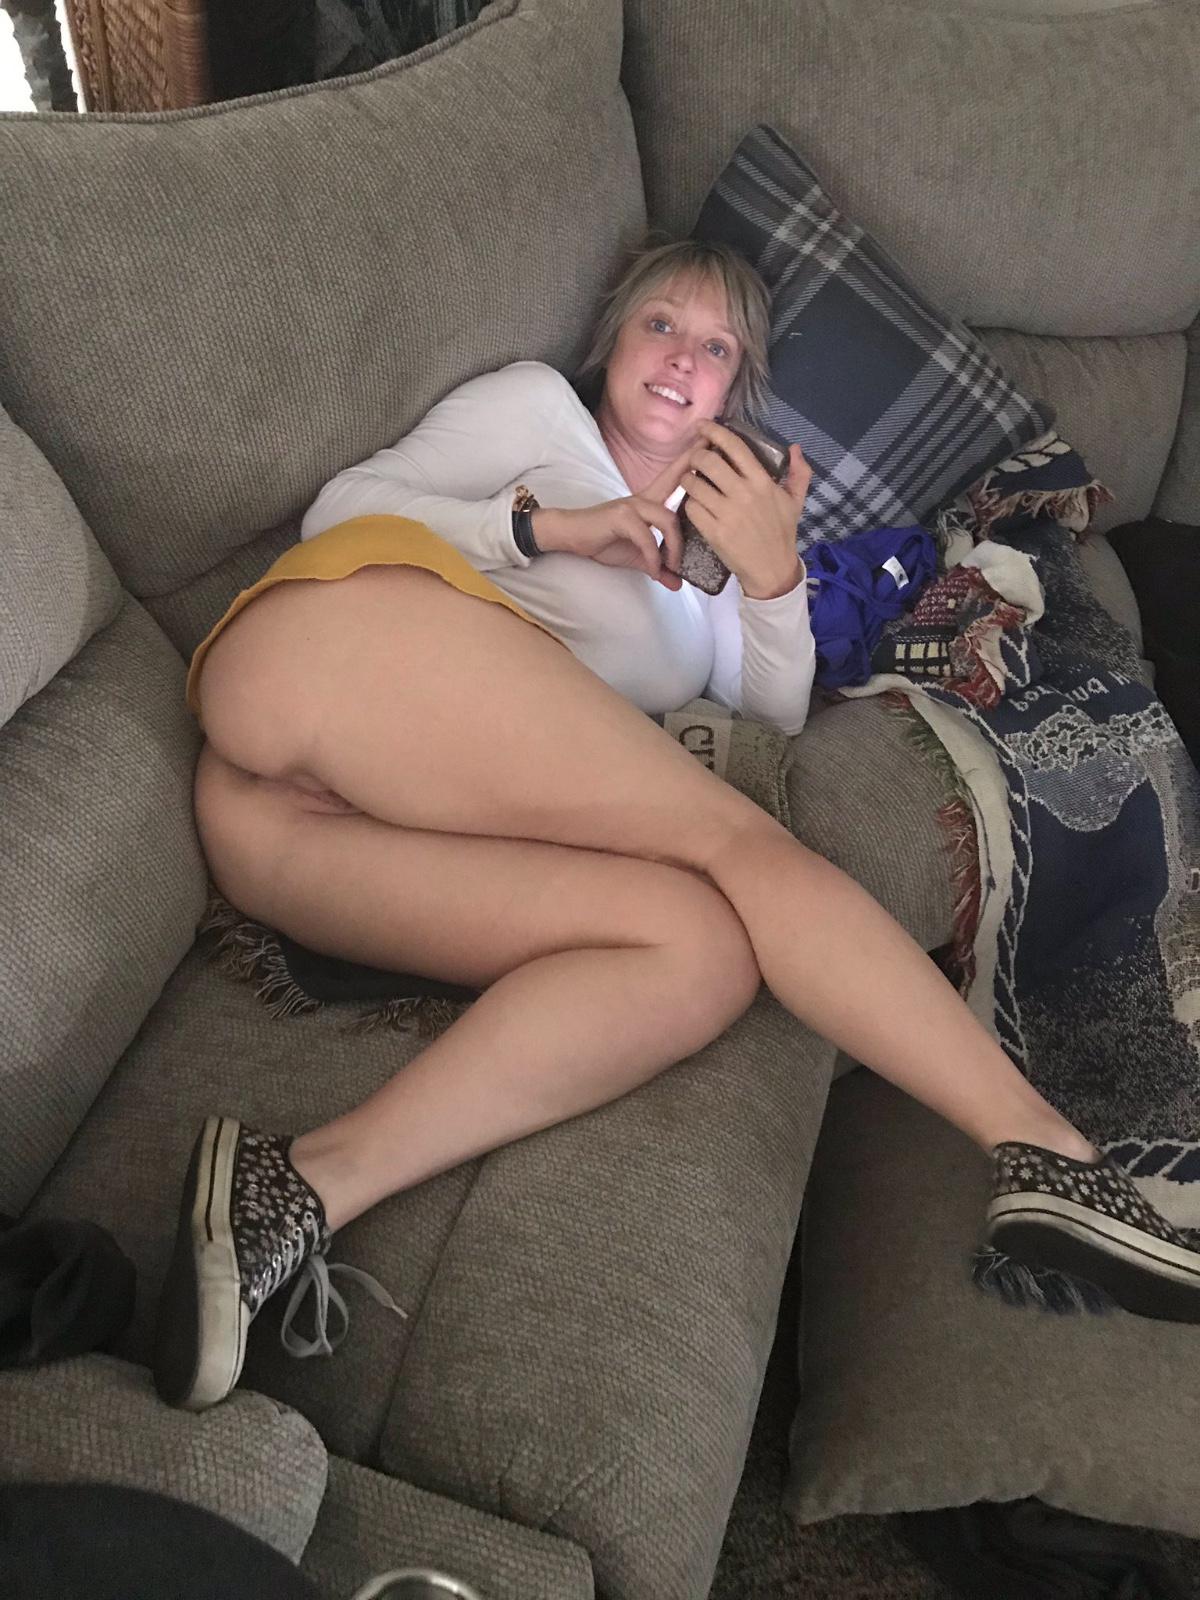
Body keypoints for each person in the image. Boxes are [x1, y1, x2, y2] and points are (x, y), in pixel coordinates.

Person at [154, 238, 1200, 1413]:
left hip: (285, 835)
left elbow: (767, 710)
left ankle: (298, 1184)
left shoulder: (710, 558)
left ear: (730, 391)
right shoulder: (534, 413)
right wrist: (560, 527)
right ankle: (1042, 1147)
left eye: (717, 348)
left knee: (702, 951)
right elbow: (340, 509)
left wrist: (771, 577)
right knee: (733, 843)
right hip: (316, 660)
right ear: (614, 340)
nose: (682, 358)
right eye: (662, 324)